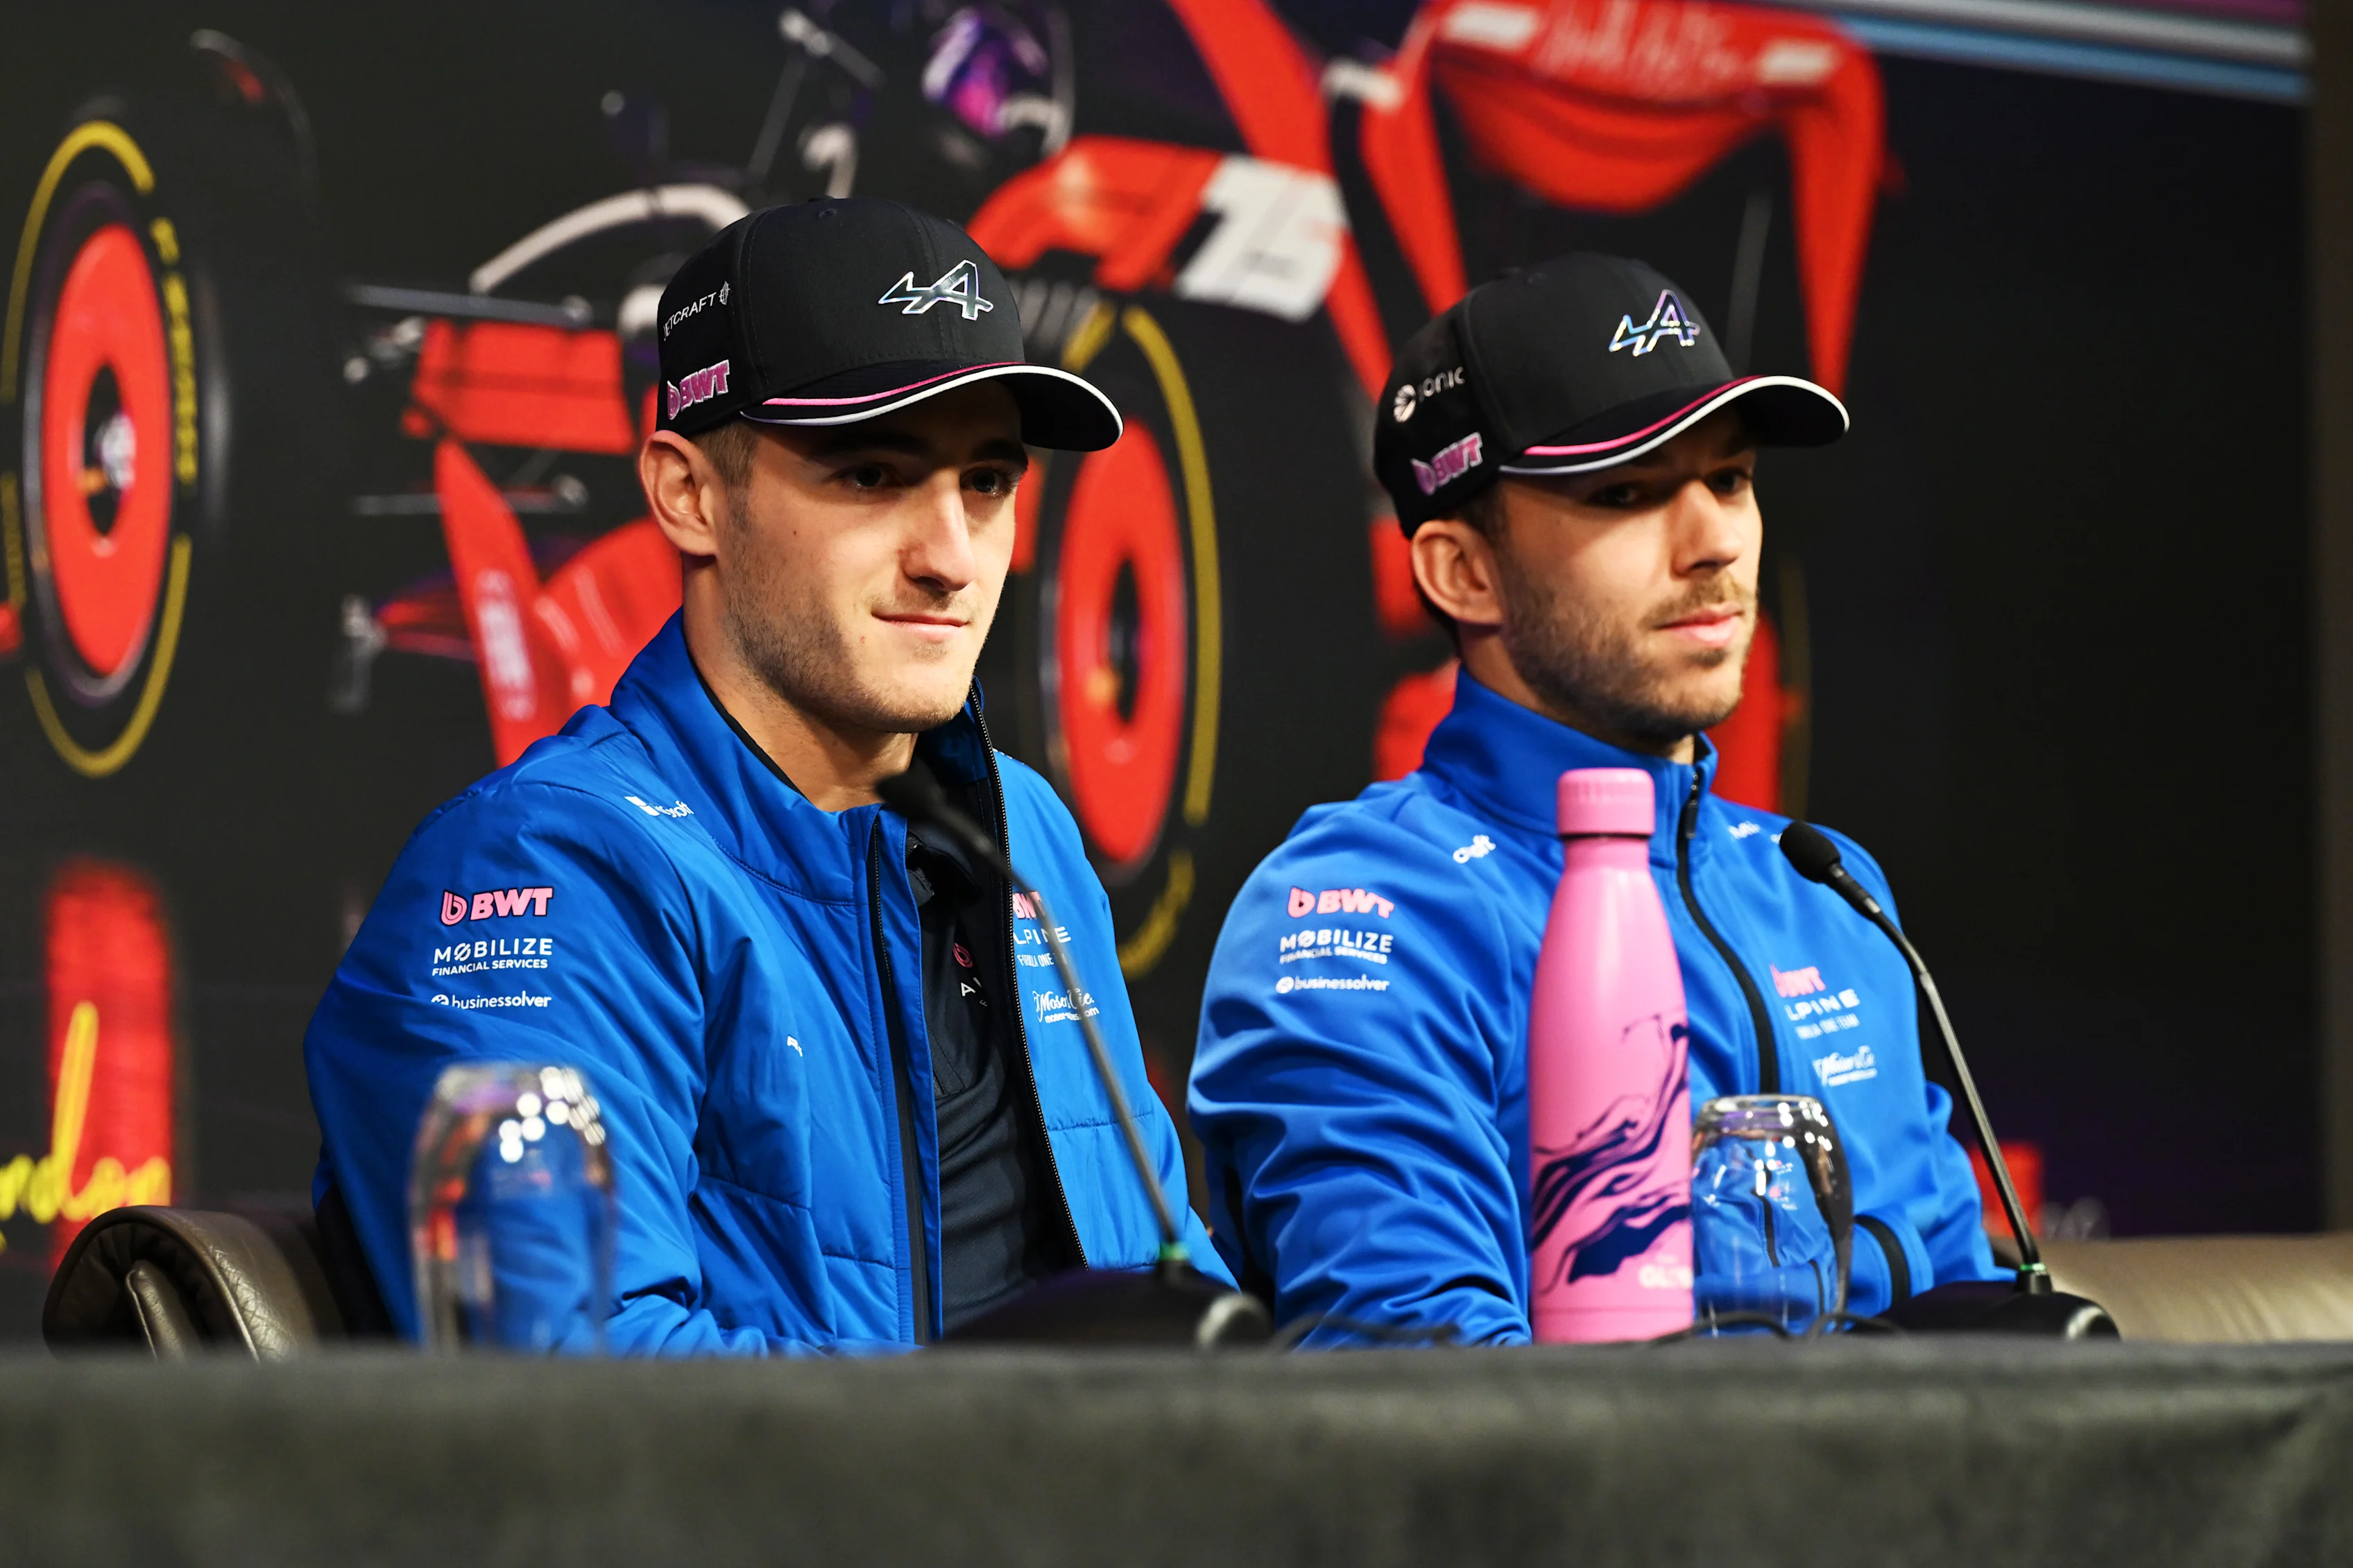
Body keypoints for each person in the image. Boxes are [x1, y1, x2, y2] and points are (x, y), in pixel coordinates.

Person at [305, 199, 1222, 1352]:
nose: (952, 558)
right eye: (872, 474)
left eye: (987, 482)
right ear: (689, 495)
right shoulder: (548, 872)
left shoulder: (1023, 829)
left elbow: (1171, 1282)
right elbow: (575, 1403)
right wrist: (1034, 1431)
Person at [1188, 254, 2002, 1346]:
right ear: (1463, 573)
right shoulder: (1363, 911)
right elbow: (1421, 1398)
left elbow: (1985, 1341)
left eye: (1733, 478)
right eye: (1625, 493)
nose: (1714, 540)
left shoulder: (1829, 891)